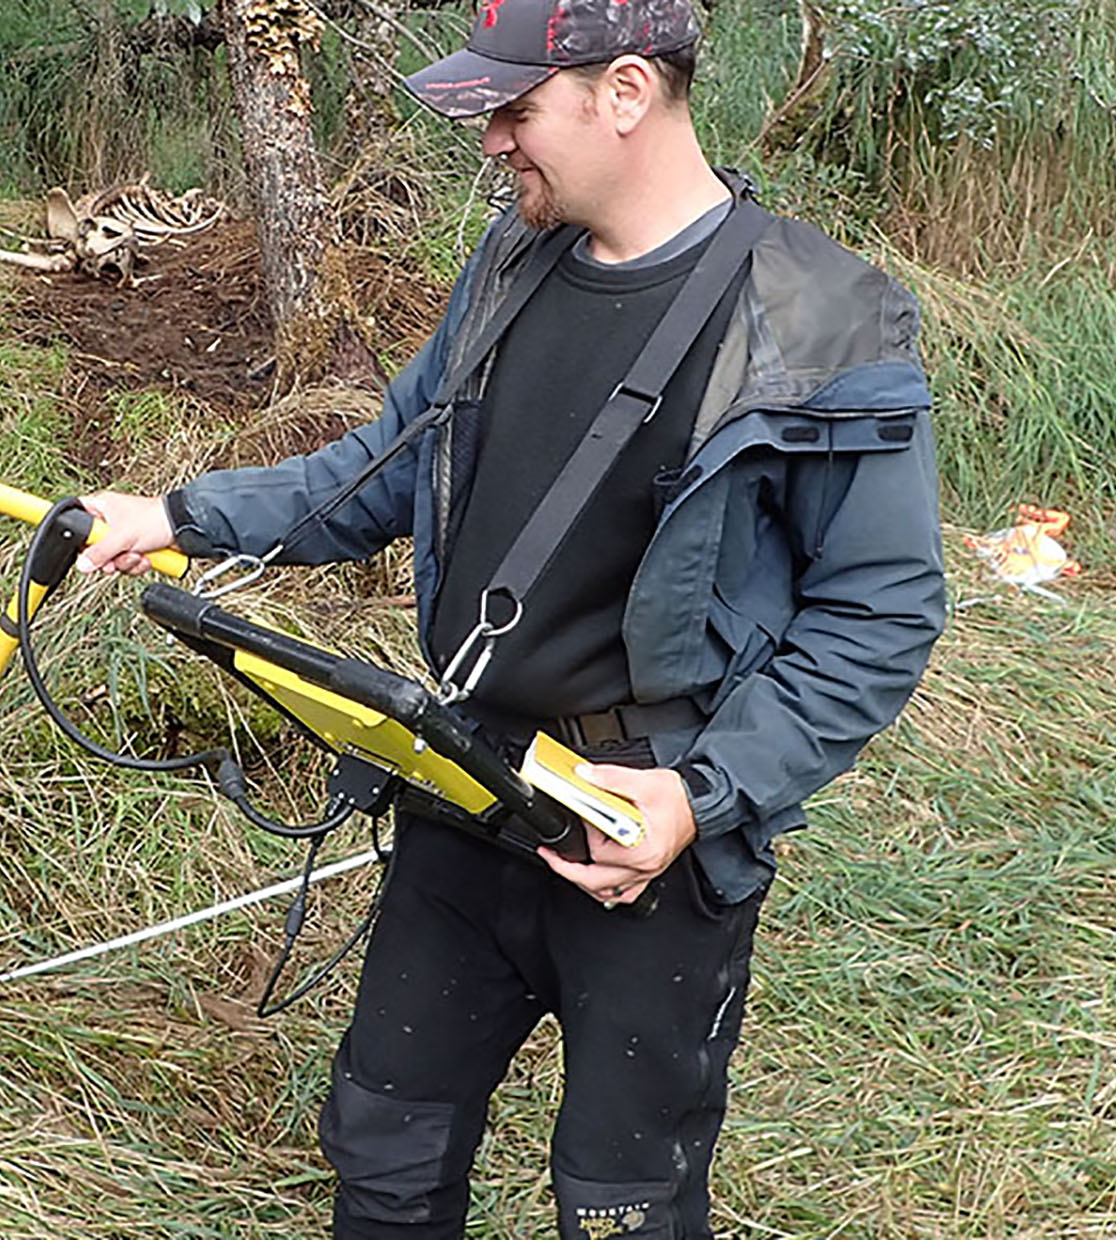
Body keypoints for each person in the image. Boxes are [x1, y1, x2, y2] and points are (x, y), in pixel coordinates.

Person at [75, 0, 948, 1233]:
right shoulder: (509, 264)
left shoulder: (822, 319)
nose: (492, 140)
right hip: (460, 776)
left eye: (517, 109)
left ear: (626, 93)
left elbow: (882, 610)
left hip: (643, 831)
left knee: (622, 1203)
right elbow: (386, 466)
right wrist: (175, 514)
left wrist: (699, 797)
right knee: (383, 1142)